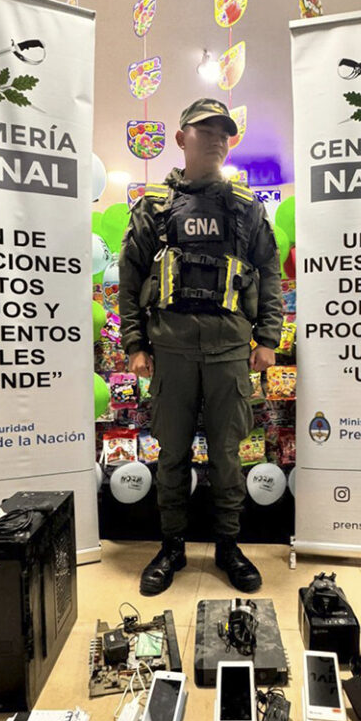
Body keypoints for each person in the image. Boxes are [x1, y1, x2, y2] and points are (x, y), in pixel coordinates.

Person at [118, 98, 282, 596]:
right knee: (171, 454)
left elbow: (269, 274)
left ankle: (229, 546)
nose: (215, 139)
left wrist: (268, 338)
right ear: (181, 138)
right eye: (204, 130)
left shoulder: (246, 208)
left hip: (230, 353)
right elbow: (130, 279)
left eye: (223, 133)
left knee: (228, 455)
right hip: (170, 353)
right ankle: (172, 546)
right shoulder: (154, 208)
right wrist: (134, 344)